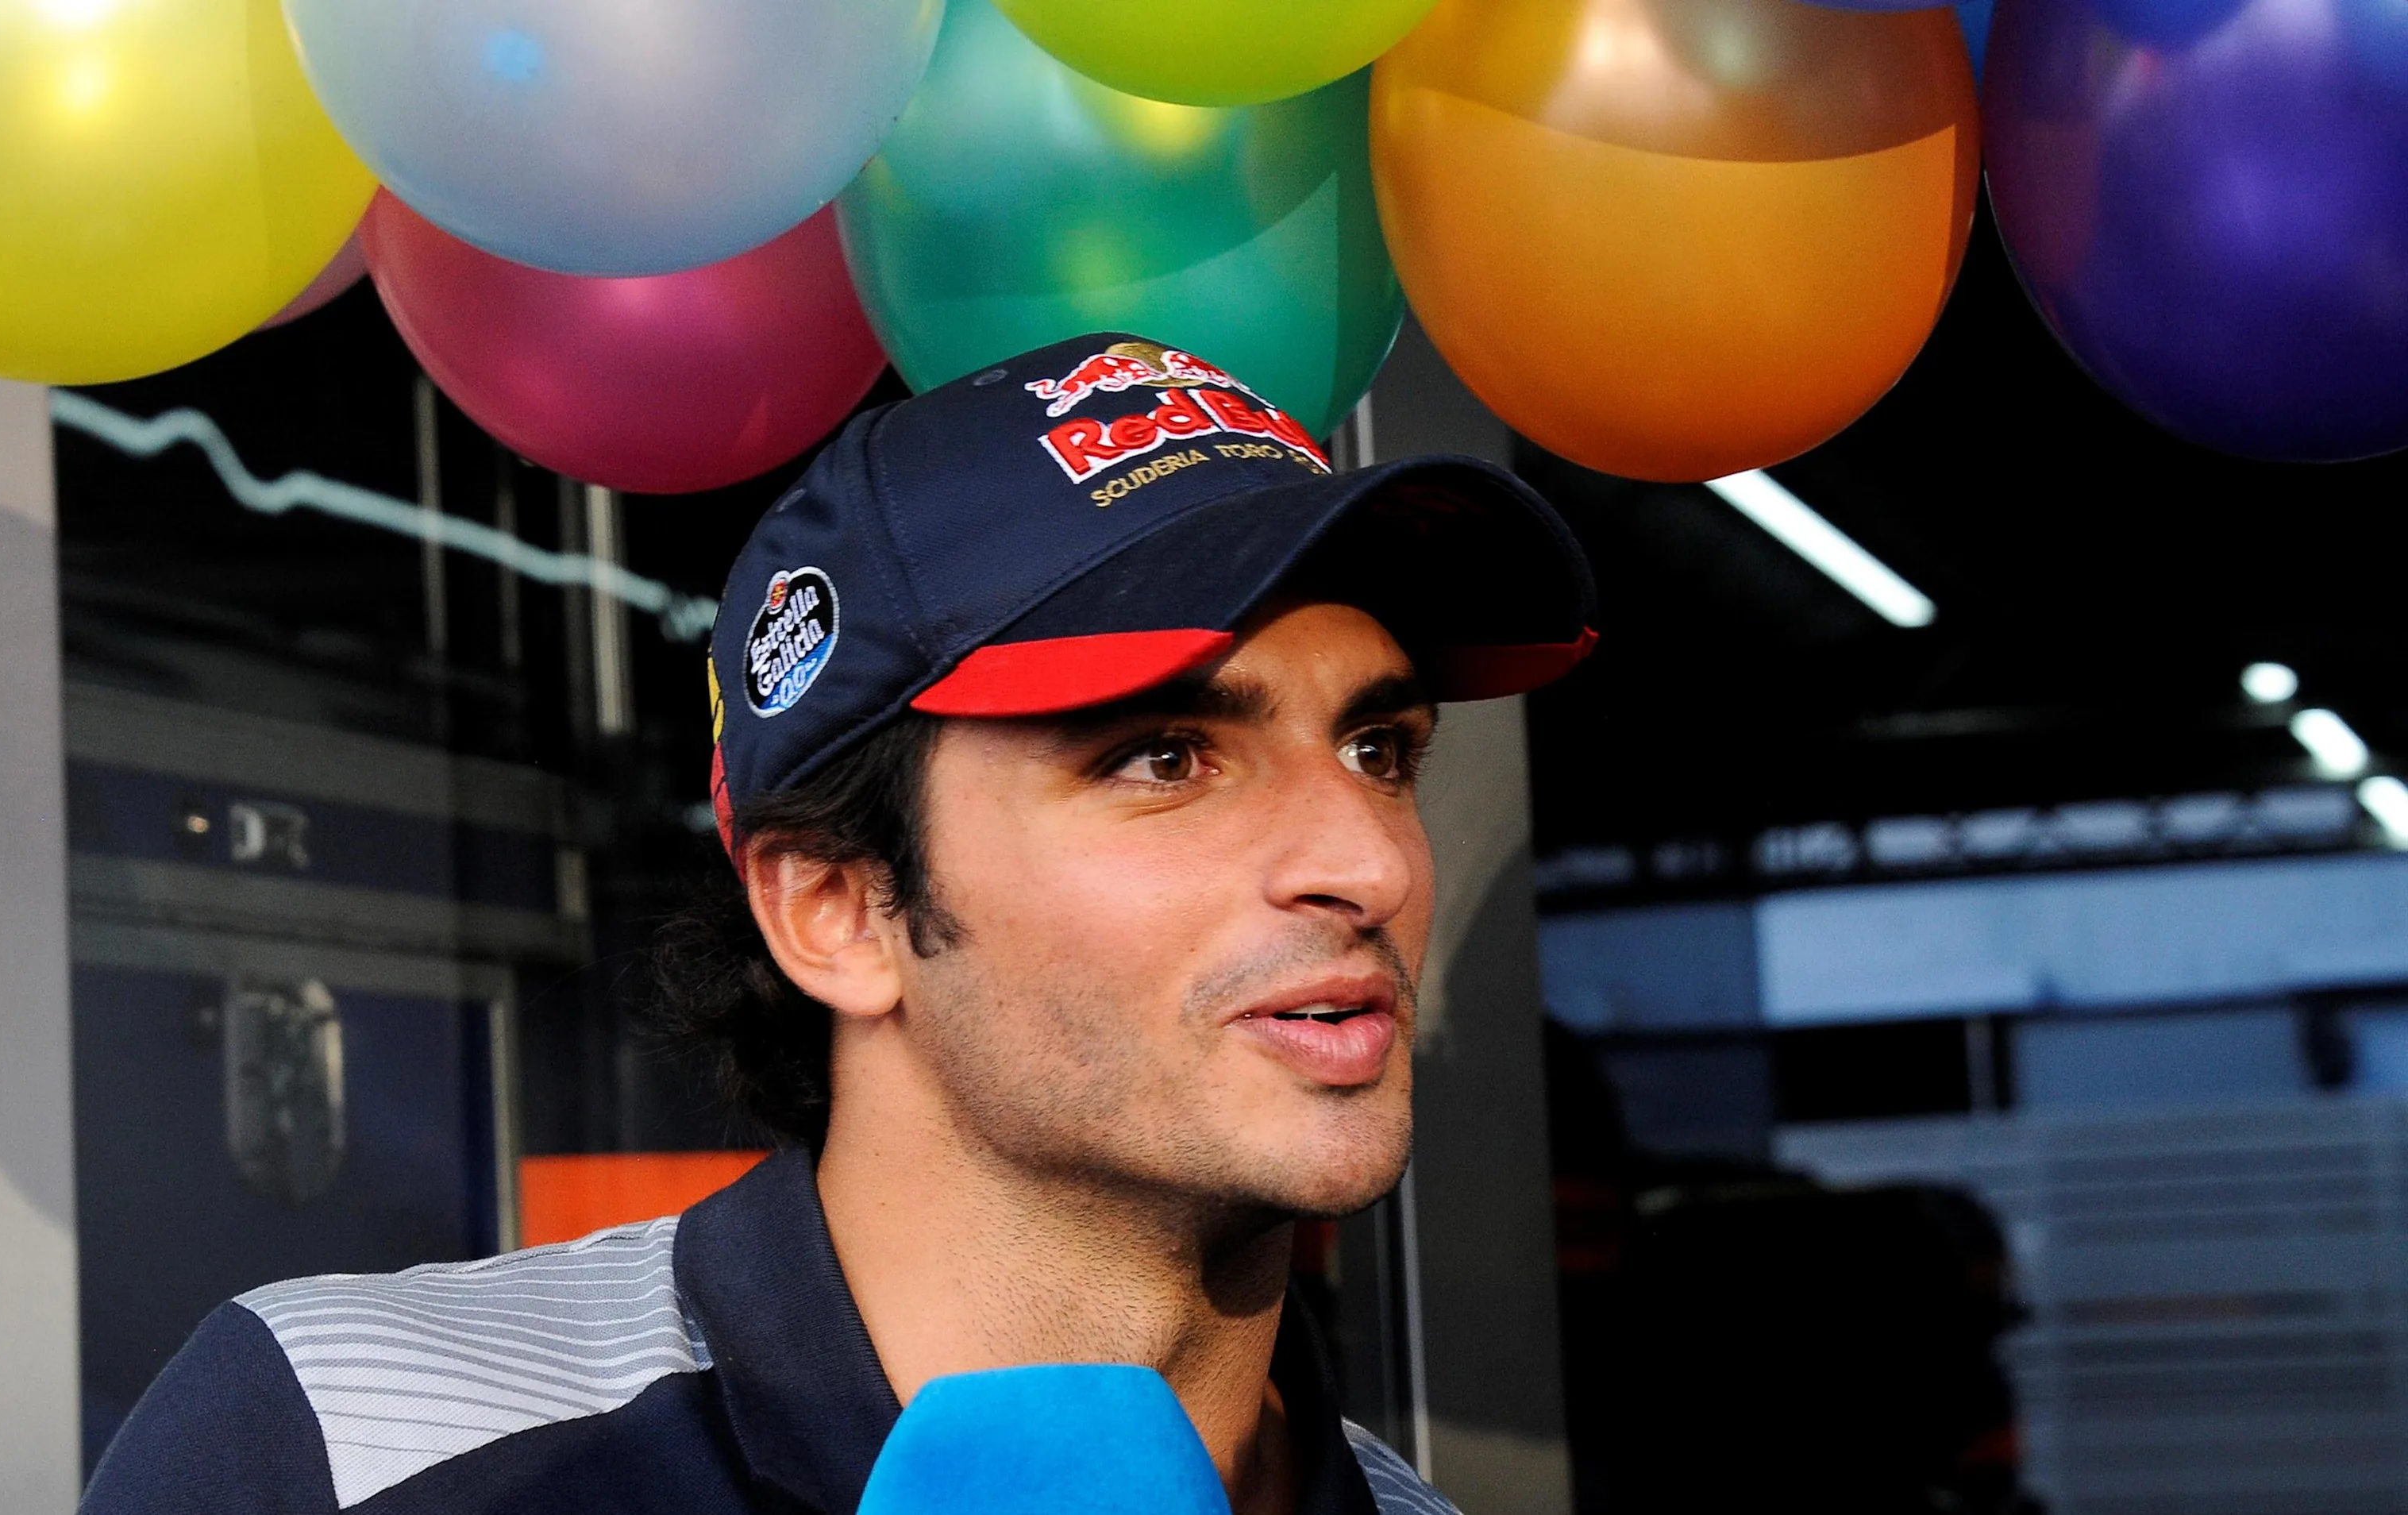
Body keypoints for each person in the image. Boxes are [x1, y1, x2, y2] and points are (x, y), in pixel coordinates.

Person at [77, 333, 1596, 1515]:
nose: (1370, 863)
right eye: (1165, 758)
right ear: (838, 908)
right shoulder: (349, 1442)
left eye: (1380, 751)